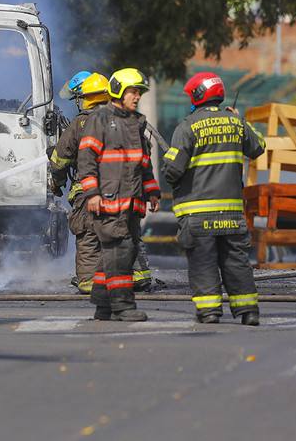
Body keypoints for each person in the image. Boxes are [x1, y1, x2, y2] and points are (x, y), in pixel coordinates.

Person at [162, 71, 264, 325]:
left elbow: (173, 171)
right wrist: (240, 121)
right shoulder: (236, 123)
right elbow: (258, 146)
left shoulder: (188, 126)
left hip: (198, 214)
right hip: (232, 214)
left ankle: (209, 312)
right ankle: (248, 312)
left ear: (197, 95)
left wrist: (169, 169)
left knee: (203, 263)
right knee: (237, 262)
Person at [77, 68, 161, 322]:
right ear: (118, 92)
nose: (137, 97)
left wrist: (152, 192)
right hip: (108, 202)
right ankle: (123, 305)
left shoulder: (136, 122)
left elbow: (143, 162)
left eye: (139, 92)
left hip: (133, 202)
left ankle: (103, 307)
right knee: (121, 252)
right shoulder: (99, 119)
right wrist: (92, 193)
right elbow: (86, 159)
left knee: (116, 253)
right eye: (133, 92)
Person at [50, 71, 110, 294]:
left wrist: (56, 182)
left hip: (87, 191)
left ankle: (87, 282)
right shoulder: (121, 120)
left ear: (84, 97)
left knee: (87, 237)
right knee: (122, 234)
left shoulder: (80, 122)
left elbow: (59, 161)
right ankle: (136, 277)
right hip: (118, 189)